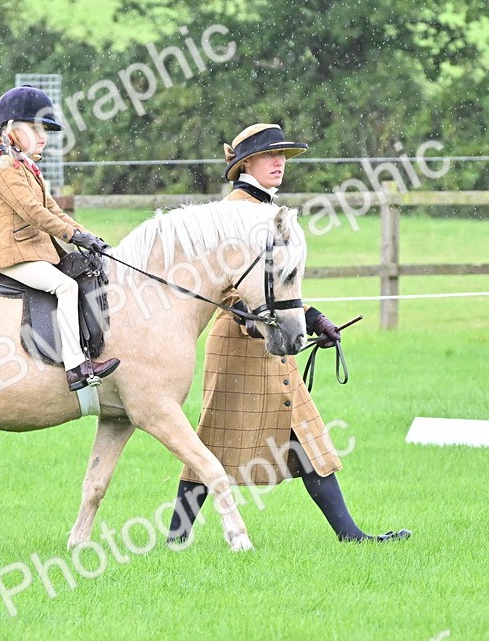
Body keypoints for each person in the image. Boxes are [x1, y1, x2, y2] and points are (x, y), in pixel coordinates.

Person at [169, 123, 412, 544]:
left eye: (283, 155)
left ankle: (350, 536)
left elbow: (278, 286)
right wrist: (257, 318)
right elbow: (224, 286)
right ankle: (176, 538)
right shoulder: (232, 214)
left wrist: (313, 318)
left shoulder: (271, 210)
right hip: (239, 341)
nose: (279, 163)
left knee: (306, 433)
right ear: (246, 163)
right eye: (270, 156)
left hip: (275, 338)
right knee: (213, 439)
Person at [0, 85, 120, 392]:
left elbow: (54, 210)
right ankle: (76, 367)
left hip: (36, 252)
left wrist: (89, 236)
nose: (43, 136)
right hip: (15, 255)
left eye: (44, 129)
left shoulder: (30, 170)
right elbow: (34, 213)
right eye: (34, 128)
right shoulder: (5, 170)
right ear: (10, 131)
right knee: (65, 286)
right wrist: (73, 236)